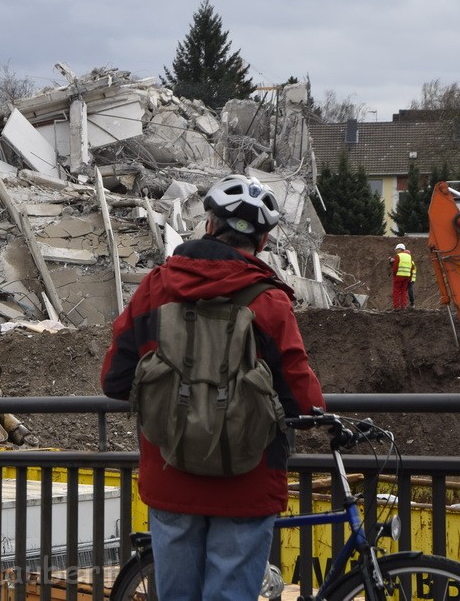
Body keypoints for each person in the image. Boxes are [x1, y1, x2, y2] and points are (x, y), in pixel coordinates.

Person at [100, 175, 326, 600]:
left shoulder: (155, 288)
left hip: (171, 475)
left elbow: (114, 379)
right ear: (261, 241)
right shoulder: (269, 302)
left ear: (209, 225)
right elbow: (303, 400)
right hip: (247, 483)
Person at [390, 242, 414, 310]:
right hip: (407, 277)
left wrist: (394, 274)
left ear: (400, 249)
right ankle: (403, 307)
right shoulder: (409, 256)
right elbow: (412, 268)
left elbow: (395, 267)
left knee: (396, 291)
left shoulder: (398, 256)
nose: (396, 251)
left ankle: (396, 307)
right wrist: (410, 277)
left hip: (399, 276)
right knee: (404, 291)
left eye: (397, 249)